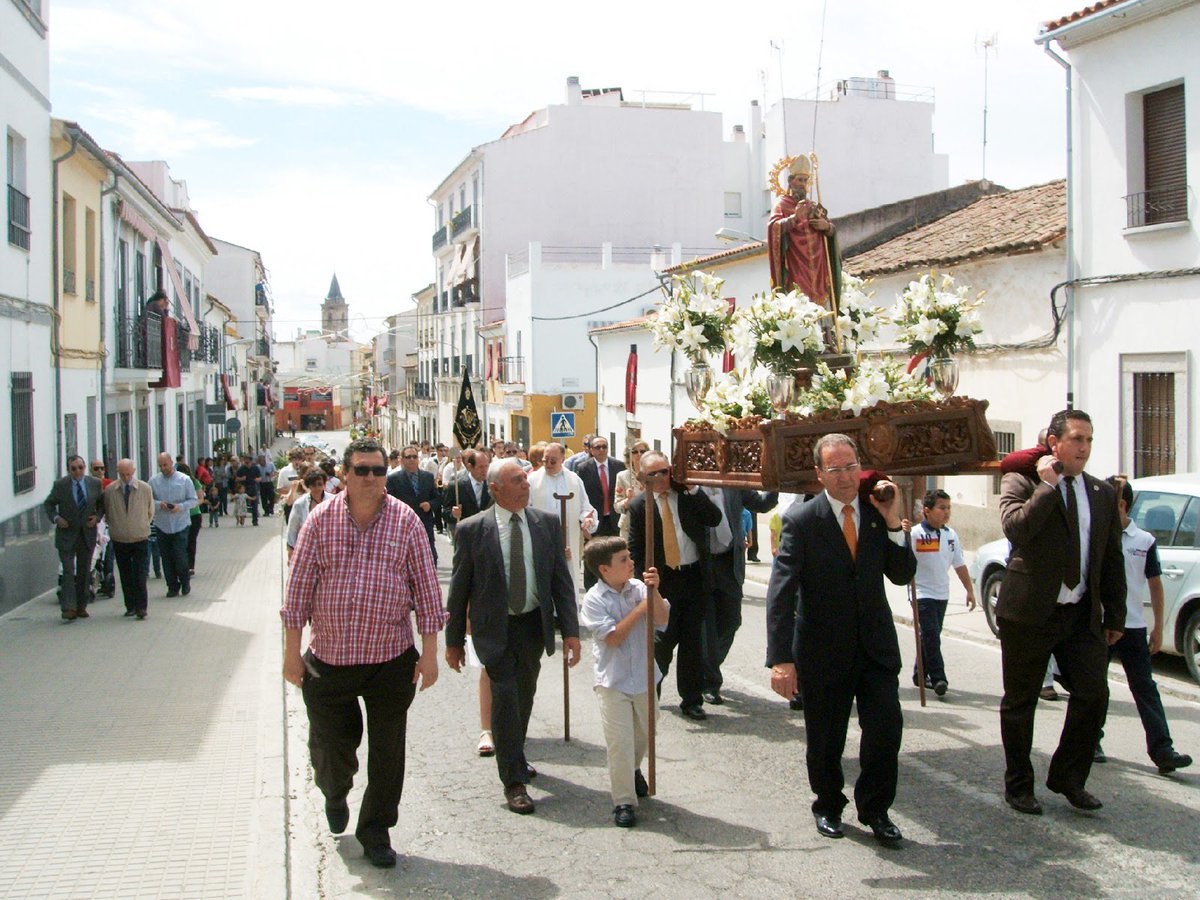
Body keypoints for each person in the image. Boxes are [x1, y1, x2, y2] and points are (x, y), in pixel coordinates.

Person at [282, 437, 444, 869]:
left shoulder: (406, 521)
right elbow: (296, 594)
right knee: (333, 748)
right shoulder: (319, 521)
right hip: (330, 660)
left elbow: (427, 592)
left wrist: (429, 655)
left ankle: (376, 831)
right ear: (345, 474)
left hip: (391, 659)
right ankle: (335, 792)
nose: (370, 478)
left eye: (378, 470)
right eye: (362, 470)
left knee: (388, 751)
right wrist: (291, 654)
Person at [765, 433, 914, 844]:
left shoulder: (873, 513)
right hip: (823, 650)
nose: (847, 476)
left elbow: (901, 574)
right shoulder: (802, 520)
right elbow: (781, 592)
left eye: (852, 466)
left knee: (886, 729)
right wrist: (781, 658)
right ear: (819, 474)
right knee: (827, 737)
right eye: (836, 469)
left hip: (876, 647)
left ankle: (876, 809)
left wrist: (892, 523)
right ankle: (828, 804)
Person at [997, 409, 1126, 816]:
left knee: (1093, 694)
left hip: (1079, 614)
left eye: (1089, 440)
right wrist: (1047, 487)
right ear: (1054, 443)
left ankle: (1068, 776)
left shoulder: (1102, 493)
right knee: (1021, 702)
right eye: (1076, 439)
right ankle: (1019, 785)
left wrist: (1116, 615)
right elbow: (1016, 528)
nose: (1084, 448)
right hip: (1030, 611)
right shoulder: (1022, 480)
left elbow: (1111, 559)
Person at [445, 459, 582, 815]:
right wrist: (453, 640)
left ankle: (514, 755)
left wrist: (570, 631)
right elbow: (458, 590)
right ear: (496, 489)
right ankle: (513, 781)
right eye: (517, 480)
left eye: (525, 478)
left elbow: (560, 581)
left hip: (531, 626)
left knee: (524, 695)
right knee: (504, 697)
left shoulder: (546, 525)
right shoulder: (473, 530)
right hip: (495, 627)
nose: (525, 484)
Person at [1095, 476, 1191, 774]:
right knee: (1095, 687)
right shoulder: (1096, 536)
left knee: (1145, 688)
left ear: (1121, 505)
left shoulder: (1144, 541)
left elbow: (1155, 586)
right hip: (1100, 624)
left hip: (1133, 627)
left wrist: (1159, 629)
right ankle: (1090, 739)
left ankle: (1162, 750)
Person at [579, 536, 669, 828]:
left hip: (643, 675)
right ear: (605, 570)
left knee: (647, 730)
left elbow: (663, 618)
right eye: (624, 560)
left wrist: (653, 593)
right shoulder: (594, 600)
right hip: (613, 681)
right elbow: (614, 637)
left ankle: (632, 769)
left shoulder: (639, 589)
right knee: (619, 742)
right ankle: (624, 802)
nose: (632, 563)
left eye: (631, 557)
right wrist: (640, 610)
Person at [627, 451, 722, 721]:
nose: (660, 478)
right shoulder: (639, 505)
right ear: (642, 477)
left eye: (664, 471)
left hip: (693, 577)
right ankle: (650, 697)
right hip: (662, 582)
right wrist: (640, 585)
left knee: (692, 643)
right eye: (653, 474)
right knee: (662, 643)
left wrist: (693, 489)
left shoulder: (687, 495)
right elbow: (636, 546)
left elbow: (714, 518)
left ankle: (691, 699)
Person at [700, 487, 778, 706]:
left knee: (731, 621)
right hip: (702, 564)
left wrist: (776, 484)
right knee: (706, 627)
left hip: (728, 563)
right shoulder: (691, 485)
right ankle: (709, 681)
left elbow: (762, 504)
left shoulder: (734, 485)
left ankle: (706, 667)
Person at [910, 489, 976, 697]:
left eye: (948, 508)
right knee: (931, 635)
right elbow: (902, 561)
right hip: (921, 593)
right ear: (927, 511)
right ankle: (938, 678)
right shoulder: (914, 534)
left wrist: (969, 590)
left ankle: (919, 672)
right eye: (942, 508)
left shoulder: (951, 535)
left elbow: (959, 565)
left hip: (941, 593)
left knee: (930, 635)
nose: (946, 512)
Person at [767, 154, 840, 313]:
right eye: (799, 180)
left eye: (805, 181)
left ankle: (827, 335)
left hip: (818, 264)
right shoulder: (782, 204)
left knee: (822, 307)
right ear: (790, 181)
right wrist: (794, 218)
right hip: (796, 263)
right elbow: (774, 228)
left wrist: (826, 226)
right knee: (801, 303)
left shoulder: (812, 206)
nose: (803, 185)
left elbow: (831, 229)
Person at [527, 442, 597, 594]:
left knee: (567, 582)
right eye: (545, 460)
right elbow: (526, 508)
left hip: (568, 541)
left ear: (562, 459)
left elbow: (585, 507)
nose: (548, 464)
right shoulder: (532, 480)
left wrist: (587, 519)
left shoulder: (574, 480)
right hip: (543, 539)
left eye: (553, 461)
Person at [44, 455, 105, 621]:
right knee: (69, 571)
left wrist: (97, 518)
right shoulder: (61, 486)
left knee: (84, 571)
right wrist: (57, 518)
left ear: (85, 468)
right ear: (68, 470)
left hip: (86, 534)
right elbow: (49, 504)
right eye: (73, 468)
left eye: (80, 467)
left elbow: (102, 504)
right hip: (67, 535)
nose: (77, 471)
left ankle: (81, 606)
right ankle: (68, 608)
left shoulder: (94, 483)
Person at [103, 459, 155, 619]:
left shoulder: (145, 488)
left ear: (133, 472)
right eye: (122, 474)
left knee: (140, 574)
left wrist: (141, 524)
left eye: (128, 474)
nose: (125, 478)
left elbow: (150, 511)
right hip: (120, 538)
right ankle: (130, 605)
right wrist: (117, 526)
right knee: (125, 574)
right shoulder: (111, 490)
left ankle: (141, 607)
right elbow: (108, 511)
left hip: (139, 537)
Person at [576, 436, 625, 588]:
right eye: (598, 447)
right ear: (591, 450)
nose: (602, 450)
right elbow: (580, 498)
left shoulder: (618, 466)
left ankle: (614, 585)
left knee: (614, 555)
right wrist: (583, 524)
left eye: (604, 446)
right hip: (594, 521)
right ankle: (591, 588)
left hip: (613, 519)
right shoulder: (583, 468)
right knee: (593, 555)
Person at [149, 452, 198, 598]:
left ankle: (185, 581)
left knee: (179, 554)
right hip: (162, 524)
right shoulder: (153, 481)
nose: (164, 468)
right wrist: (159, 505)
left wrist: (180, 507)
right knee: (166, 556)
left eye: (166, 464)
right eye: (161, 465)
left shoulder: (184, 480)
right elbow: (148, 501)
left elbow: (193, 500)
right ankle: (172, 586)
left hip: (180, 523)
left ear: (171, 463)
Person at [386, 445, 440, 564]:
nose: (411, 459)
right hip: (402, 527)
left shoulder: (428, 477)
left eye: (414, 456)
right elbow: (387, 502)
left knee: (431, 558)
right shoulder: (393, 479)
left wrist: (430, 504)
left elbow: (437, 498)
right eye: (408, 457)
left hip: (425, 524)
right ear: (402, 459)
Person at [614, 440, 650, 544]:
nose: (639, 454)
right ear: (629, 455)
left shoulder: (653, 474)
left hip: (650, 523)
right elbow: (617, 507)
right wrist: (627, 500)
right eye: (635, 452)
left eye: (642, 451)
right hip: (629, 526)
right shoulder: (622, 476)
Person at [450, 448, 492, 523]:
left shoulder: (492, 485)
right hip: (466, 529)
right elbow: (446, 512)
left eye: (486, 466)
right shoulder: (457, 486)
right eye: (481, 467)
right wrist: (453, 514)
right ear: (470, 467)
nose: (485, 470)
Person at [178, 463, 204, 576]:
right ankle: (183, 565)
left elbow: (201, 498)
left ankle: (190, 566)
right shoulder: (176, 483)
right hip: (181, 516)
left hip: (194, 515)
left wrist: (190, 505)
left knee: (191, 540)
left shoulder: (194, 482)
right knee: (182, 542)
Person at [277, 448, 304, 524]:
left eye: (299, 459)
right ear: (291, 459)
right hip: (290, 503)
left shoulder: (305, 470)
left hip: (303, 503)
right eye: (294, 459)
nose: (297, 462)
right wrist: (293, 489)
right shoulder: (284, 471)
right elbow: (280, 489)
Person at [236, 454, 261, 525]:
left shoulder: (255, 468)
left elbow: (260, 477)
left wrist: (257, 479)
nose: (246, 464)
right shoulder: (241, 468)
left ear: (251, 462)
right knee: (242, 504)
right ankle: (241, 519)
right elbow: (237, 478)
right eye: (245, 462)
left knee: (255, 504)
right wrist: (241, 478)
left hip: (253, 487)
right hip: (244, 488)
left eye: (247, 462)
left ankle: (255, 521)